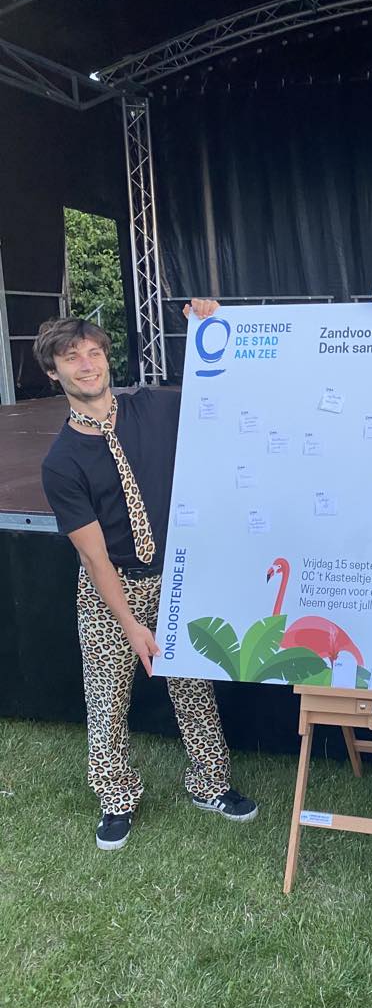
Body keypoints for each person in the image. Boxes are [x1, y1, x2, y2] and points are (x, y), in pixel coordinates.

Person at [35, 301, 257, 850]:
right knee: (107, 698)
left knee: (193, 683)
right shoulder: (62, 462)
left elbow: (219, 388)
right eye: (72, 358)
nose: (87, 365)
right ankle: (116, 798)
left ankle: (210, 783)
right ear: (53, 372)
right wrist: (132, 626)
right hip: (112, 587)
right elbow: (94, 558)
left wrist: (209, 323)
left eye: (94, 353)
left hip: (177, 575)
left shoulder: (152, 409)